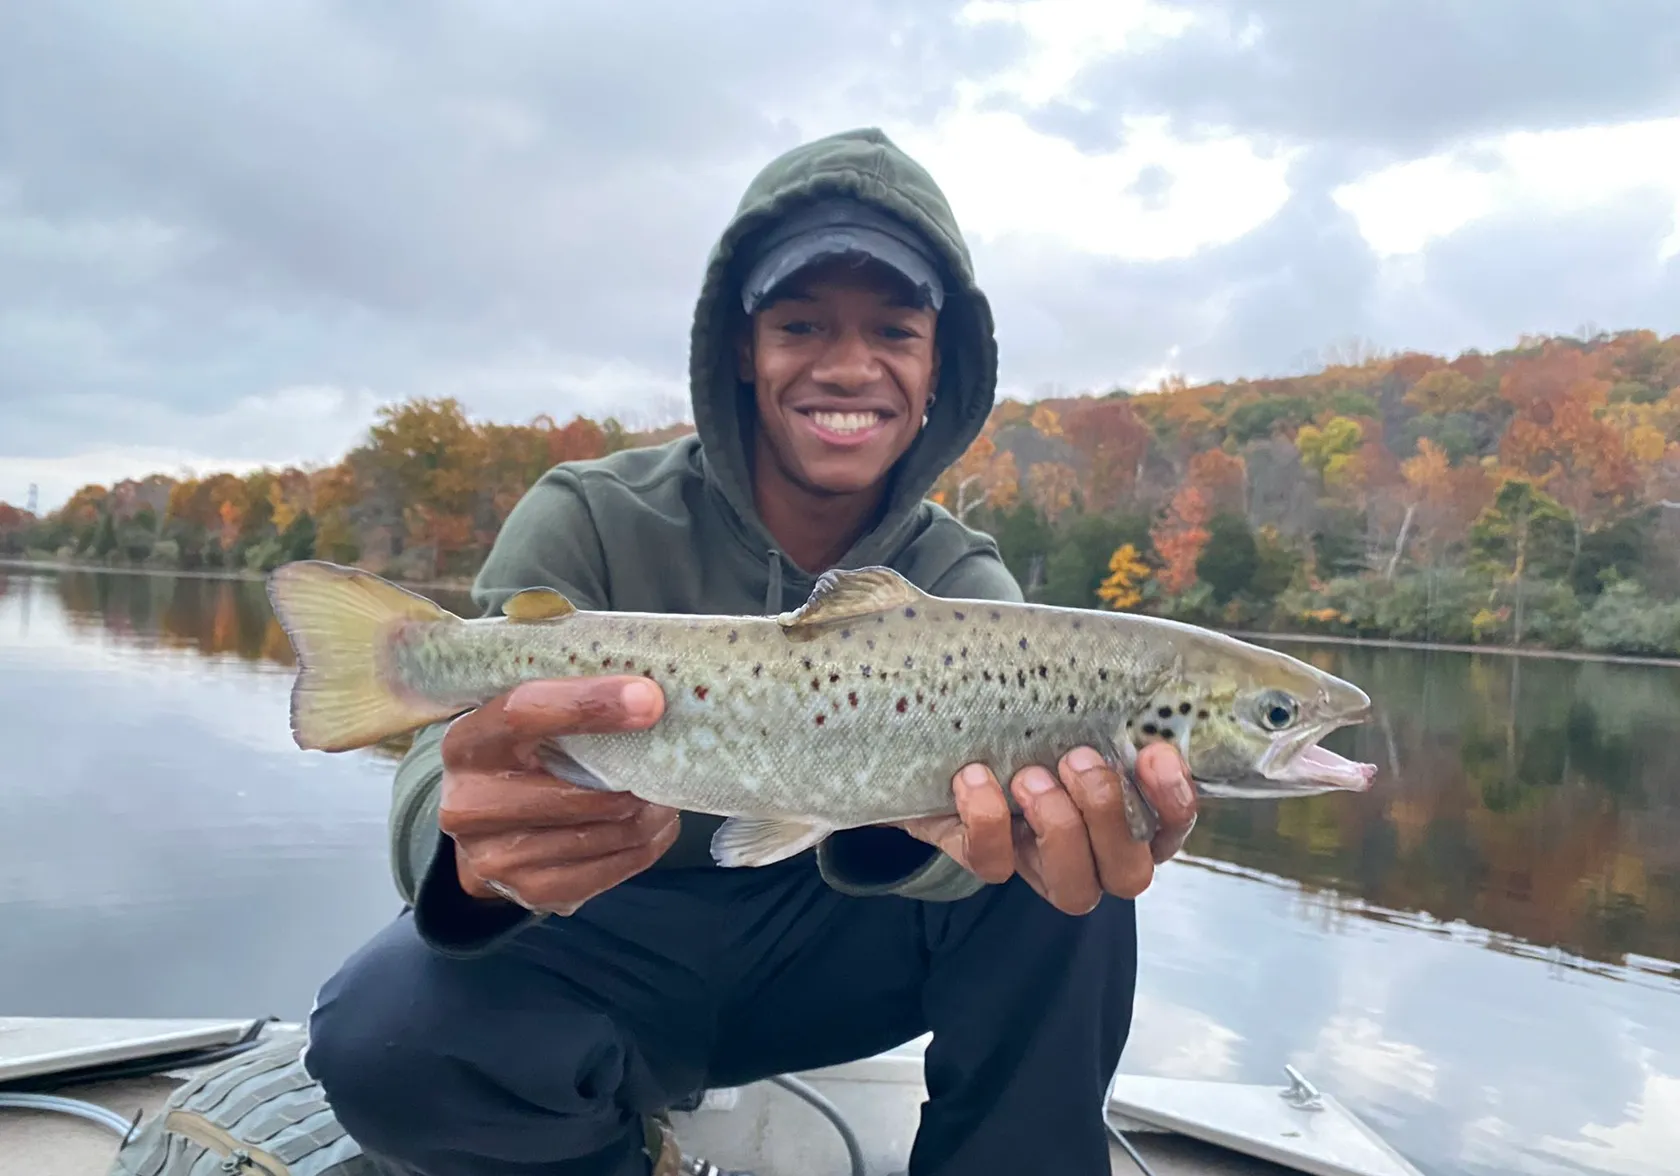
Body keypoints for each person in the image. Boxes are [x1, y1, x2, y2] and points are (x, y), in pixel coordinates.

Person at [302, 127, 1199, 1176]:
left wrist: (967, 844)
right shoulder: (587, 518)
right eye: (803, 323)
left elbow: (978, 877)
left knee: (1078, 879)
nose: (850, 365)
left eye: (894, 330)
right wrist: (467, 860)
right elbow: (447, 773)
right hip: (601, 937)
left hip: (833, 950)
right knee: (380, 1035)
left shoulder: (968, 591)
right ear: (742, 347)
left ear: (936, 364)